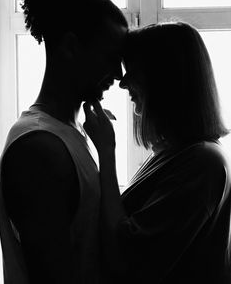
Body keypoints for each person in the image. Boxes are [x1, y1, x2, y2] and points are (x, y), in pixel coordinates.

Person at [0, 0, 128, 284]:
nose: (119, 75)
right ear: (70, 48)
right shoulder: (39, 150)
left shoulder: (70, 133)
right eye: (110, 58)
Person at [83, 22, 231, 284]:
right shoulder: (174, 153)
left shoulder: (202, 163)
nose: (123, 82)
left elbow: (125, 261)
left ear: (165, 79)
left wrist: (107, 153)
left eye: (134, 71)